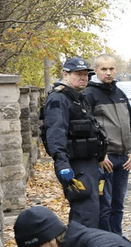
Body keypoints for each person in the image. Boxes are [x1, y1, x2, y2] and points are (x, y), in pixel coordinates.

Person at [43, 57, 106, 228]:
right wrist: (62, 163)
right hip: (76, 166)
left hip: (88, 164)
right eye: (78, 74)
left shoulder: (78, 97)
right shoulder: (59, 99)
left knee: (91, 212)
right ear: (65, 74)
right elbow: (56, 133)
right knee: (85, 216)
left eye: (86, 74)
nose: (83, 78)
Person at [85, 54, 131, 235]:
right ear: (96, 71)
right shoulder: (89, 95)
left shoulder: (120, 94)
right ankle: (106, 244)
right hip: (105, 161)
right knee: (104, 207)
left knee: (118, 206)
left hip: (124, 160)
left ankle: (118, 240)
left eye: (111, 69)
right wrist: (99, 156)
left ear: (115, 70)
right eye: (104, 69)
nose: (108, 73)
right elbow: (87, 131)